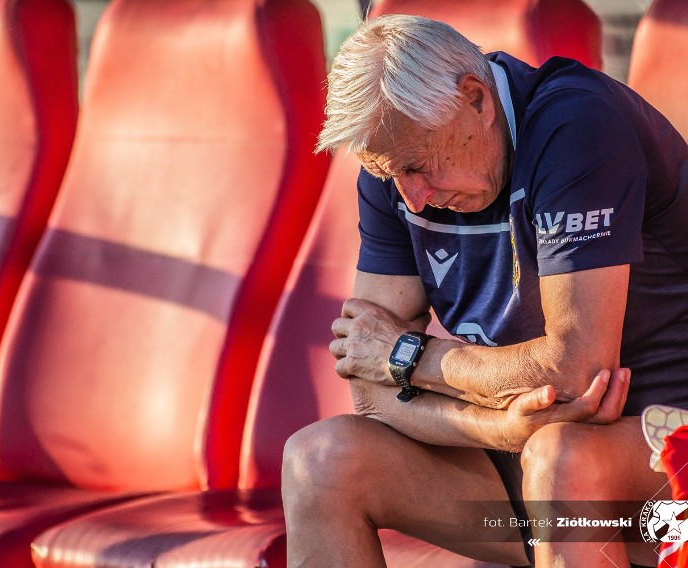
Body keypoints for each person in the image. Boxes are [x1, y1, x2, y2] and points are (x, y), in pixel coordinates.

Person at [281, 14, 688, 568]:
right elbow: (368, 392)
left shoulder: (577, 124)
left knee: (560, 456)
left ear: (476, 98)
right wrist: (498, 426)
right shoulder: (394, 173)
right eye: (391, 174)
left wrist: (410, 356)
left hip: (664, 453)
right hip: (526, 458)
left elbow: (576, 372)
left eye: (419, 166)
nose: (413, 198)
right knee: (319, 459)